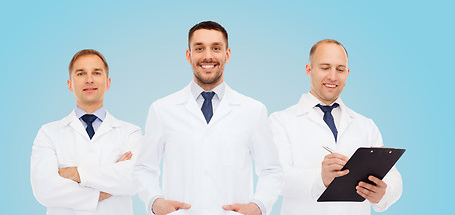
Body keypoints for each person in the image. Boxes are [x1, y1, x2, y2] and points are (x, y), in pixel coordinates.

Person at [134, 21, 283, 215]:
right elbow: (144, 168)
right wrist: (155, 202)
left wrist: (259, 206)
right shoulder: (162, 109)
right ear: (189, 55)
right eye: (199, 48)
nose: (208, 56)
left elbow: (271, 171)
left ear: (227, 54)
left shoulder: (253, 110)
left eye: (216, 48)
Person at [269, 39, 403, 214]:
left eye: (340, 69)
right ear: (309, 70)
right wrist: (320, 179)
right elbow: (275, 178)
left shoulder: (365, 125)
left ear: (347, 73)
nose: (333, 76)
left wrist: (383, 194)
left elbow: (394, 177)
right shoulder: (280, 121)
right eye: (325, 68)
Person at [30, 49, 143, 215]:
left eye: (96, 73)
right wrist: (105, 188)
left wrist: (75, 173)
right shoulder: (49, 133)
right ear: (70, 84)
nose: (89, 80)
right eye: (81, 73)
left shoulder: (130, 132)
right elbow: (44, 190)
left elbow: (135, 179)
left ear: (108, 82)